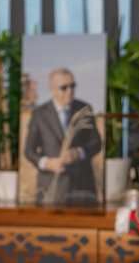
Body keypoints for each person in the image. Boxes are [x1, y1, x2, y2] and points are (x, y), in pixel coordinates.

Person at [24, 68, 102, 204]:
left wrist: (80, 153)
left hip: (82, 188)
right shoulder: (39, 114)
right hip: (51, 189)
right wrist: (48, 163)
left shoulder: (84, 109)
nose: (69, 91)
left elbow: (97, 143)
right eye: (64, 87)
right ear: (52, 88)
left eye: (72, 86)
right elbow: (28, 151)